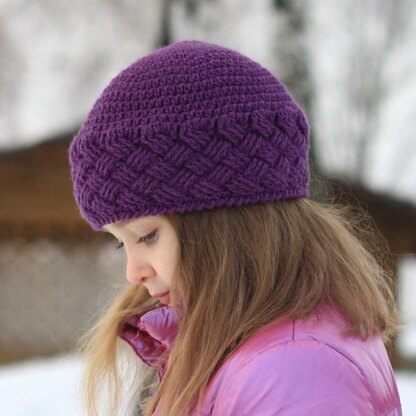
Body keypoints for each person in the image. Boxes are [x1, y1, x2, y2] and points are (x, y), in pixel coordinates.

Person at [68, 40, 403, 416]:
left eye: (147, 235)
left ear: (225, 223)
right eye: (121, 244)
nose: (134, 272)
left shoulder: (293, 374)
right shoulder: (253, 352)